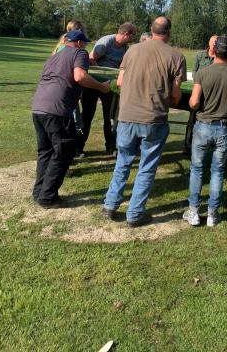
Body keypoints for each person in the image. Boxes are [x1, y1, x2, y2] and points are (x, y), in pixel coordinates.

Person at [102, 16, 187, 227]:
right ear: (169, 32)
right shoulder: (177, 56)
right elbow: (176, 95)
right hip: (153, 119)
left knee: (123, 162)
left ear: (151, 30)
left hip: (126, 116)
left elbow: (120, 82)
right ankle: (134, 214)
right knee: (147, 167)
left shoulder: (131, 50)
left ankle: (110, 205)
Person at [32, 30, 111, 208]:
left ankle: (39, 192)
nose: (86, 46)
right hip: (58, 110)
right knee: (64, 151)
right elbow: (80, 76)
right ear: (79, 43)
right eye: (85, 43)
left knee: (45, 152)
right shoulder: (79, 53)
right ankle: (47, 197)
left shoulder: (54, 56)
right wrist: (101, 87)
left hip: (38, 107)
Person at [183, 37, 227, 227]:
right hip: (223, 128)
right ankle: (212, 214)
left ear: (213, 51)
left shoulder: (203, 73)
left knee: (197, 168)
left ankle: (194, 211)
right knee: (217, 171)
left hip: (203, 125)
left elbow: (194, 102)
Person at [78, 22, 137, 156]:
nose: (135, 37)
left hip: (110, 85)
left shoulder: (125, 47)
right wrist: (103, 75)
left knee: (110, 117)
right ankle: (78, 147)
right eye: (134, 34)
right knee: (87, 115)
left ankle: (111, 147)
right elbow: (91, 58)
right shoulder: (106, 41)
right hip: (92, 84)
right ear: (126, 34)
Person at [182, 35, 218, 156]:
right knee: (192, 120)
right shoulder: (199, 55)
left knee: (209, 121)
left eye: (216, 43)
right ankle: (187, 146)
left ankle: (206, 147)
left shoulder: (220, 57)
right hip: (198, 93)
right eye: (213, 43)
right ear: (209, 43)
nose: (214, 45)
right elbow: (194, 72)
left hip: (212, 96)